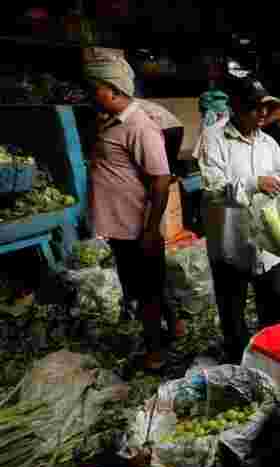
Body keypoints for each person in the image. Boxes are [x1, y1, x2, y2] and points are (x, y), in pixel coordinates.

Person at [198, 78, 280, 362]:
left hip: (266, 247)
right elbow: (212, 189)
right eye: (255, 107)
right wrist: (253, 183)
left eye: (265, 107)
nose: (262, 113)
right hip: (230, 244)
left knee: (273, 309)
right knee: (232, 313)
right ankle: (238, 362)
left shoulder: (267, 142)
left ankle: (276, 361)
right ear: (236, 107)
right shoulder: (213, 139)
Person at [84, 53, 171, 370]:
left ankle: (156, 354)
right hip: (121, 226)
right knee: (147, 286)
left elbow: (161, 180)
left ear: (111, 89)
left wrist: (150, 230)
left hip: (137, 227)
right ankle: (174, 327)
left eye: (94, 88)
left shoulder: (139, 126)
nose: (90, 94)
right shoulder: (111, 122)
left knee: (146, 292)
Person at [135, 99, 184, 174]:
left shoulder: (131, 104)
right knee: (169, 162)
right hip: (176, 125)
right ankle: (174, 175)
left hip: (165, 128)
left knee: (162, 164)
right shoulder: (138, 102)